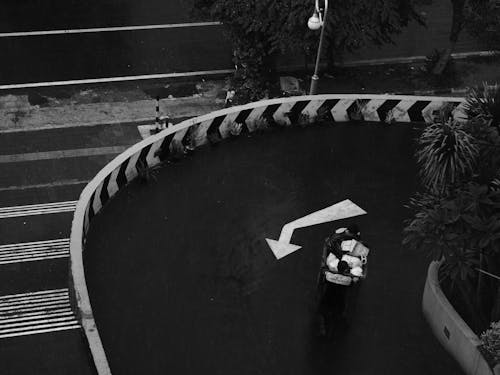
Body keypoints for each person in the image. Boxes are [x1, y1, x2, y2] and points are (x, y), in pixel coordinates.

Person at [316, 224, 365, 337]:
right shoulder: (348, 279)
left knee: (323, 310)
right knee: (339, 312)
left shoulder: (329, 275)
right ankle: (336, 326)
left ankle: (323, 327)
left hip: (328, 297)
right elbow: (354, 280)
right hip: (339, 299)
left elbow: (325, 271)